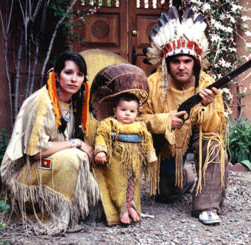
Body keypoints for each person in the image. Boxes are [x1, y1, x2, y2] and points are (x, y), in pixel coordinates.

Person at [141, 7, 228, 225]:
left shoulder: (207, 83)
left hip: (198, 136)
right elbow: (136, 120)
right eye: (176, 61)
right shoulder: (152, 83)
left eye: (187, 61)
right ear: (167, 63)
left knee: (213, 146)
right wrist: (164, 121)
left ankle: (207, 206)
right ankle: (187, 179)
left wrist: (206, 105)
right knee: (167, 194)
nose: (181, 67)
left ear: (195, 63)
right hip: (164, 146)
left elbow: (214, 127)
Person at [0, 51, 99, 234]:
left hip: (46, 165)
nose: (74, 79)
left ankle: (82, 211)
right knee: (72, 157)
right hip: (23, 173)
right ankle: (57, 219)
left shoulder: (75, 102)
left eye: (79, 75)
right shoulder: (43, 102)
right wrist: (76, 142)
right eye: (68, 72)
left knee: (89, 154)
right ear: (56, 75)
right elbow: (36, 152)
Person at [90, 63, 157, 226]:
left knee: (132, 184)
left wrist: (150, 156)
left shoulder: (140, 126)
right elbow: (101, 136)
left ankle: (130, 205)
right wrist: (101, 151)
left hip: (134, 161)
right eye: (123, 110)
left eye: (132, 111)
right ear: (115, 110)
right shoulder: (109, 124)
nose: (127, 114)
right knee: (118, 184)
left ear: (137, 112)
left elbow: (147, 140)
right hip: (116, 160)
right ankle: (121, 209)